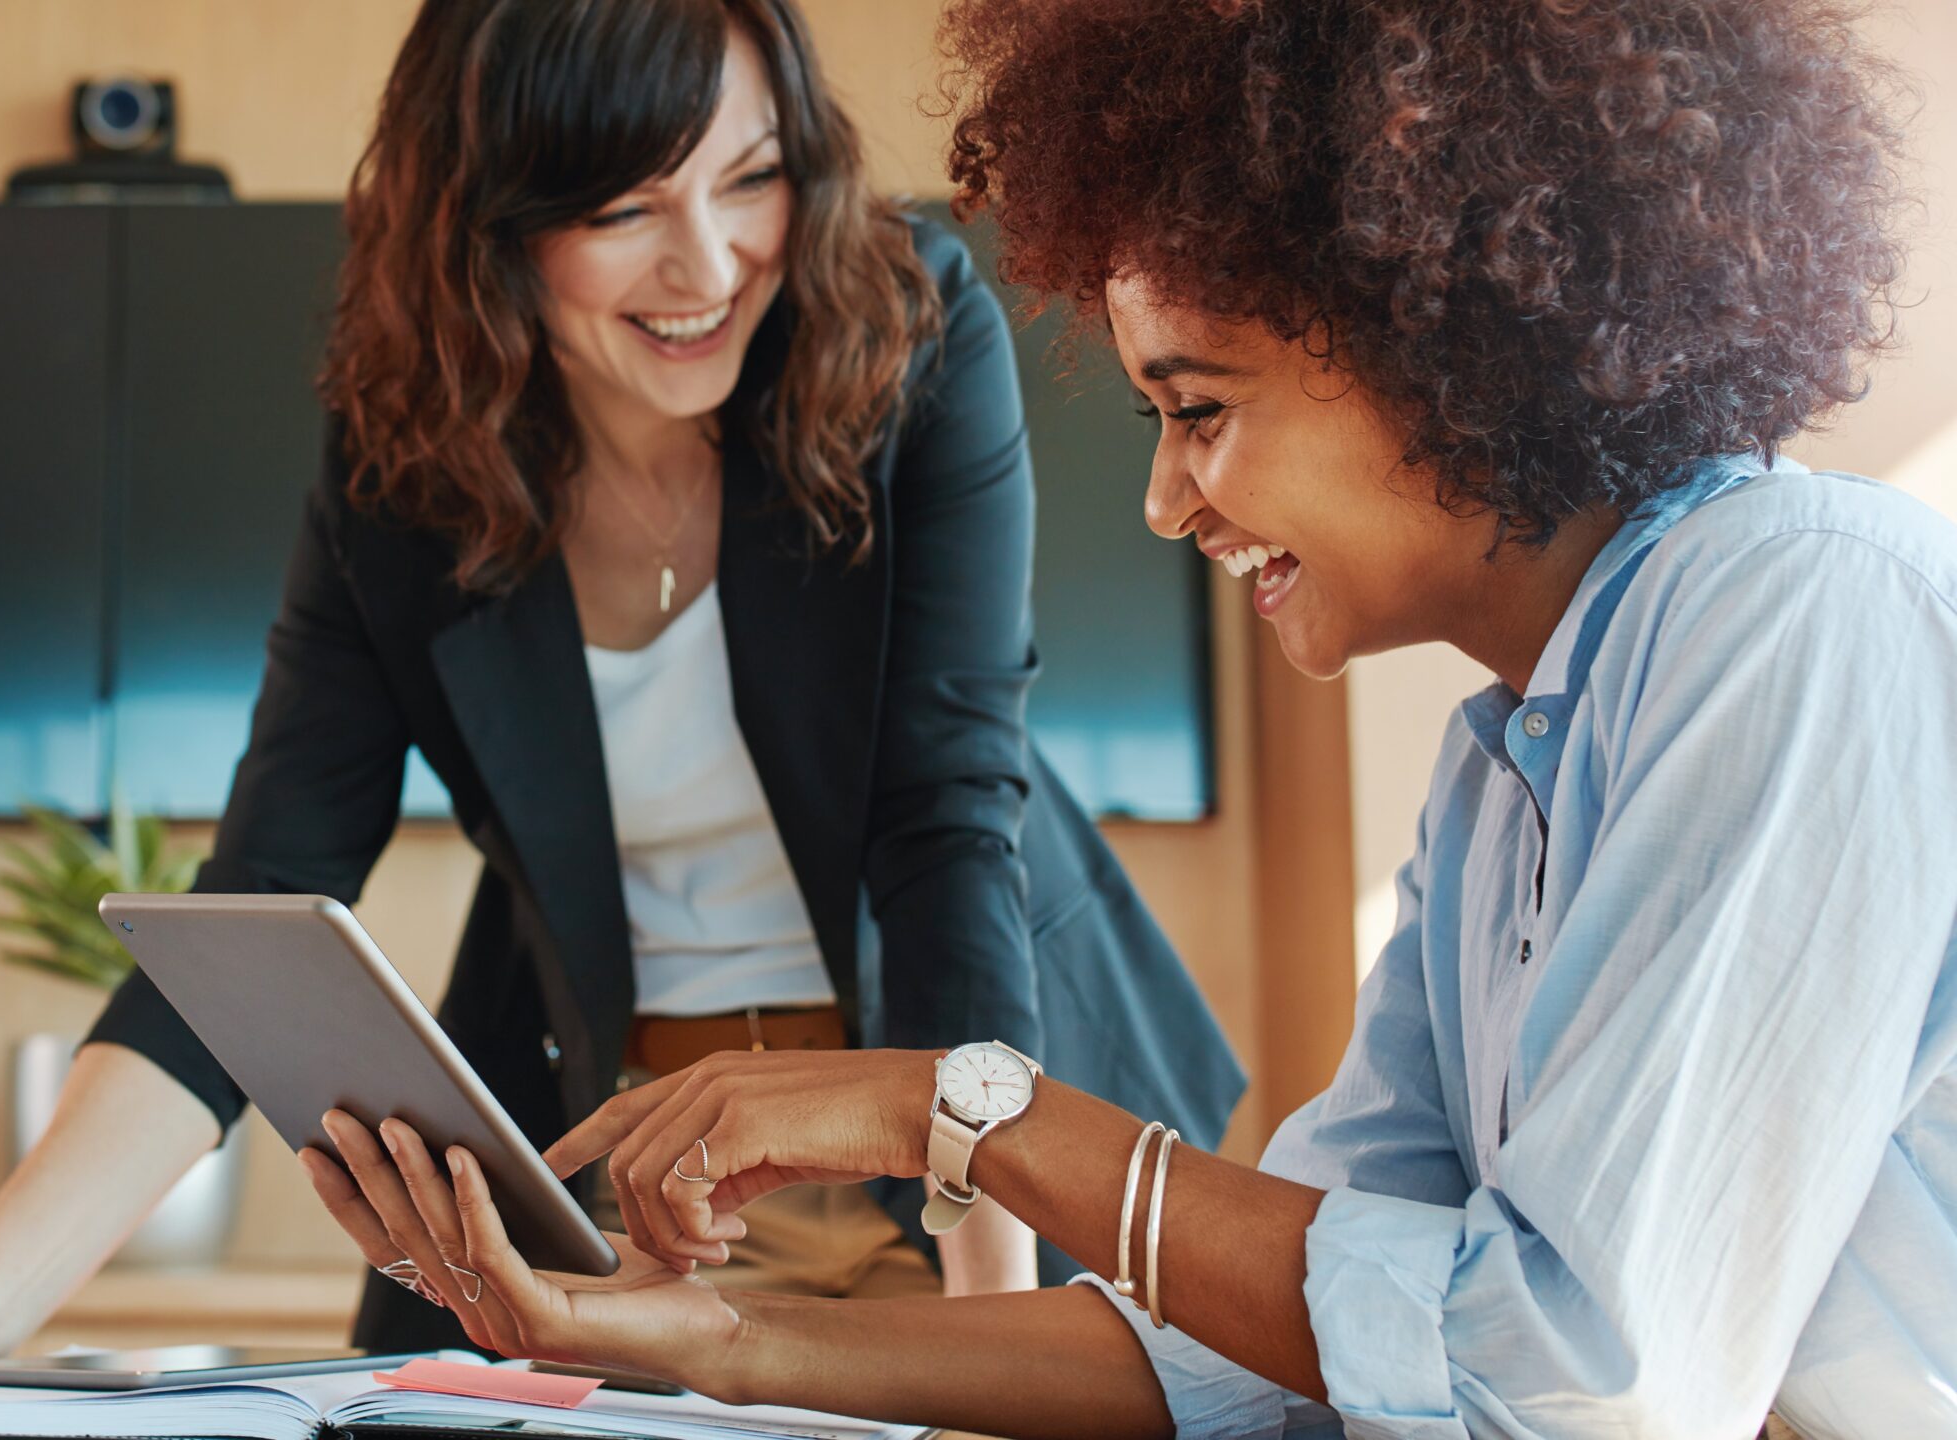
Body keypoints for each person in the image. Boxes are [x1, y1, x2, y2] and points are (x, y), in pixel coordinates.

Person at [301, 0, 1957, 1435]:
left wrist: (961, 1109)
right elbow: (1285, 1339)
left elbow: (1577, 1382)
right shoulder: (1498, 779)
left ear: (1443, 342)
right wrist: (726, 1348)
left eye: (1200, 411)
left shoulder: (1797, 604)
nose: (1167, 501)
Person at [0, 0, 1242, 1384]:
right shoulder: (407, 466)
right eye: (626, 206)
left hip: (971, 1141)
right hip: (639, 1187)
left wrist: (992, 1324)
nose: (708, 264)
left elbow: (944, 819)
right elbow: (265, 896)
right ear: (491, 222)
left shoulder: (905, 333)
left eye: (750, 176)